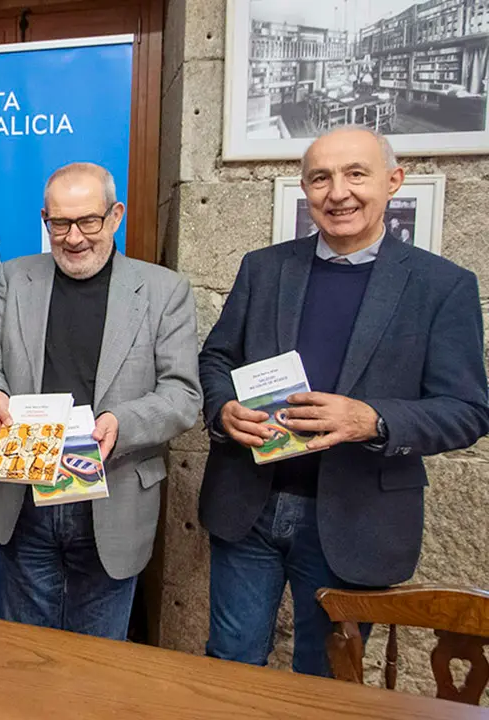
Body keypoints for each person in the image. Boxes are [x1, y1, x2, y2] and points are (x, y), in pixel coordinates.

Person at [198, 126, 489, 676]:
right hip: (249, 505)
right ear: (305, 189)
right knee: (229, 665)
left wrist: (373, 419)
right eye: (321, 178)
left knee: (328, 683)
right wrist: (221, 409)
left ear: (393, 181)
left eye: (357, 174)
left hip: (353, 519)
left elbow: (469, 410)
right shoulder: (264, 268)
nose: (339, 192)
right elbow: (216, 358)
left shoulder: (442, 286)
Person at [0, 163, 201, 638]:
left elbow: (184, 395)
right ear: (45, 220)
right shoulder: (14, 280)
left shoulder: (163, 290)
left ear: (115, 216)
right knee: (24, 652)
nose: (74, 238)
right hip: (26, 498)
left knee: (98, 664)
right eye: (60, 224)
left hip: (111, 500)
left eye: (88, 222)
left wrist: (122, 420)